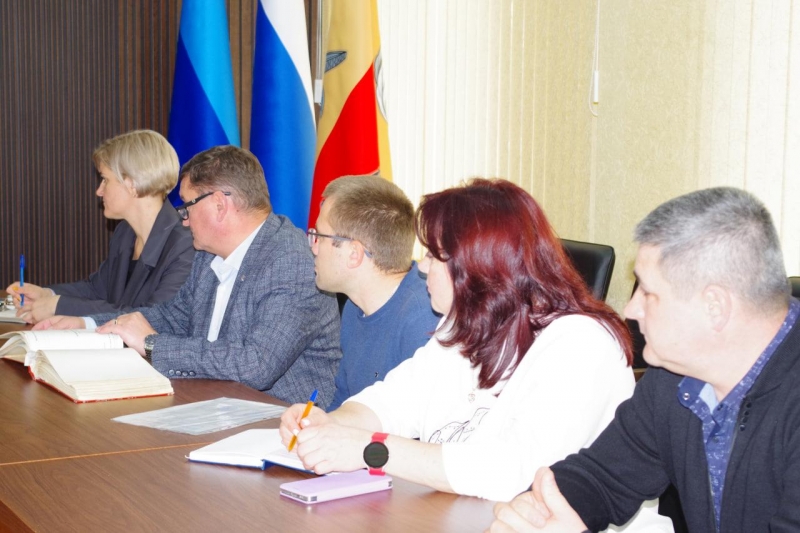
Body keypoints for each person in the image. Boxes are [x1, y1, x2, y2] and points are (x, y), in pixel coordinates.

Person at [279, 179, 657, 513]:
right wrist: (330, 424)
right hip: (457, 514)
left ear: (477, 266)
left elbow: (513, 471)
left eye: (433, 255)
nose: (421, 267)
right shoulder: (463, 323)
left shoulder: (581, 345)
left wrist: (368, 449)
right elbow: (393, 400)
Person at [490, 187, 800, 532]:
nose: (631, 309)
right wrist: (538, 510)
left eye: (648, 293)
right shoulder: (676, 376)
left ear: (715, 307)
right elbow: (602, 476)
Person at [36, 146, 342, 408]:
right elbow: (173, 316)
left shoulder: (291, 261)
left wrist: (153, 345)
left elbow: (256, 365)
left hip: (280, 424)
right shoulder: (209, 253)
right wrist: (90, 325)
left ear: (220, 205)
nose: (183, 221)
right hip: (213, 405)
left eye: (187, 207)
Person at [6, 130, 194, 323]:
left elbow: (153, 318)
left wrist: (58, 306)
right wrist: (47, 294)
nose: (99, 191)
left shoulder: (185, 245)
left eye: (105, 179)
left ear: (133, 185)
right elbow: (97, 289)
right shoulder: (125, 232)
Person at [310, 175, 441, 411]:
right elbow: (346, 400)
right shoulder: (355, 305)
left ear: (354, 254)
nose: (313, 246)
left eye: (319, 236)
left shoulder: (423, 323)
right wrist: (319, 424)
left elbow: (416, 428)